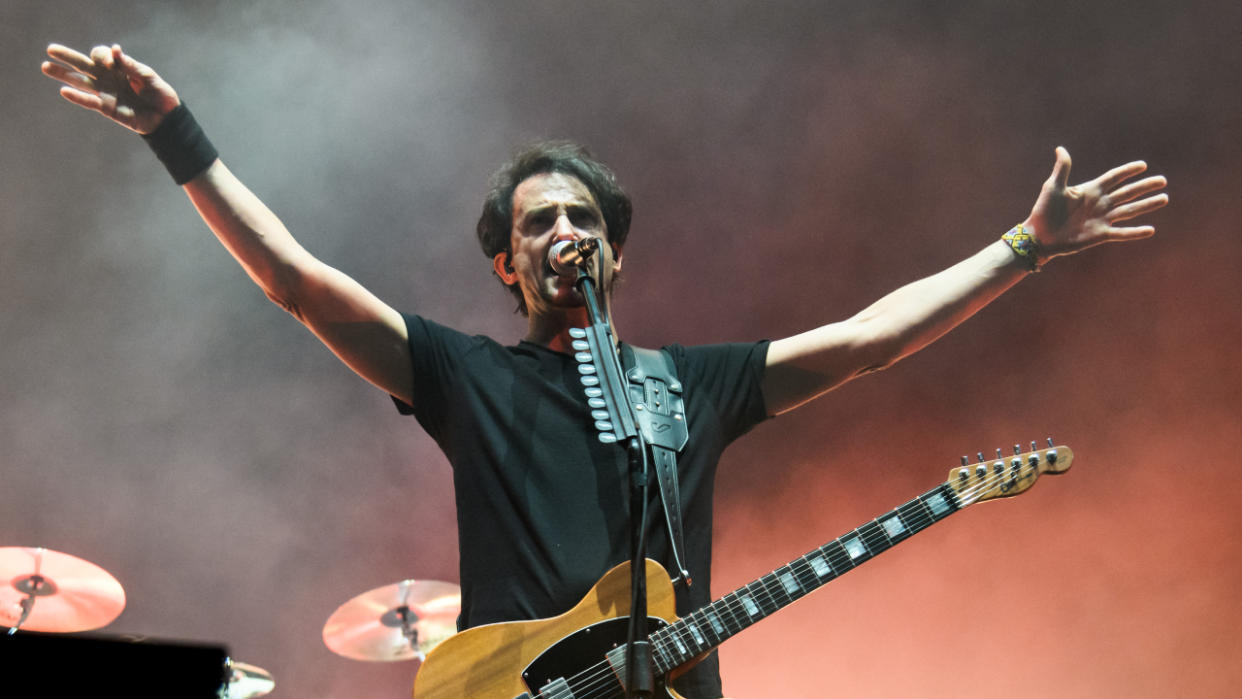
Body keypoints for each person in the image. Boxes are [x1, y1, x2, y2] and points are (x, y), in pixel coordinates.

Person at [40, 43, 1168, 699]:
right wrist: (177, 139)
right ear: (506, 262)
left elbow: (873, 339)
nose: (565, 231)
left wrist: (1022, 249)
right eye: (540, 222)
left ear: (616, 252)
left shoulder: (692, 386)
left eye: (584, 217)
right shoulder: (462, 373)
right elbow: (295, 280)